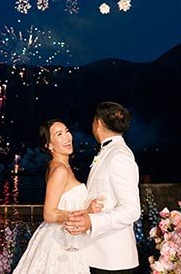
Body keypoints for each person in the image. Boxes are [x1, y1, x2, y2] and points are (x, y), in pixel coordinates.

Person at [12, 119, 104, 274]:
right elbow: (49, 214)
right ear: (49, 145)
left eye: (67, 131)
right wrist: (86, 211)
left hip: (67, 236)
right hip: (61, 242)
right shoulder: (60, 170)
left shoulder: (60, 166)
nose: (67, 137)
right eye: (59, 134)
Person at [64, 101, 141, 274]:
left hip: (113, 261)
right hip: (100, 257)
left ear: (98, 123)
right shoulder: (109, 151)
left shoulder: (119, 156)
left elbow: (132, 210)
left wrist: (91, 221)